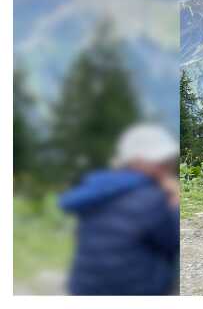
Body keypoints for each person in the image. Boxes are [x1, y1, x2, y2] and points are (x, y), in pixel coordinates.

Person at [60, 123, 180, 295]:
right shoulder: (152, 197)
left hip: (84, 287)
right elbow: (172, 241)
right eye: (164, 162)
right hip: (134, 290)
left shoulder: (96, 188)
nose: (168, 165)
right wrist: (174, 203)